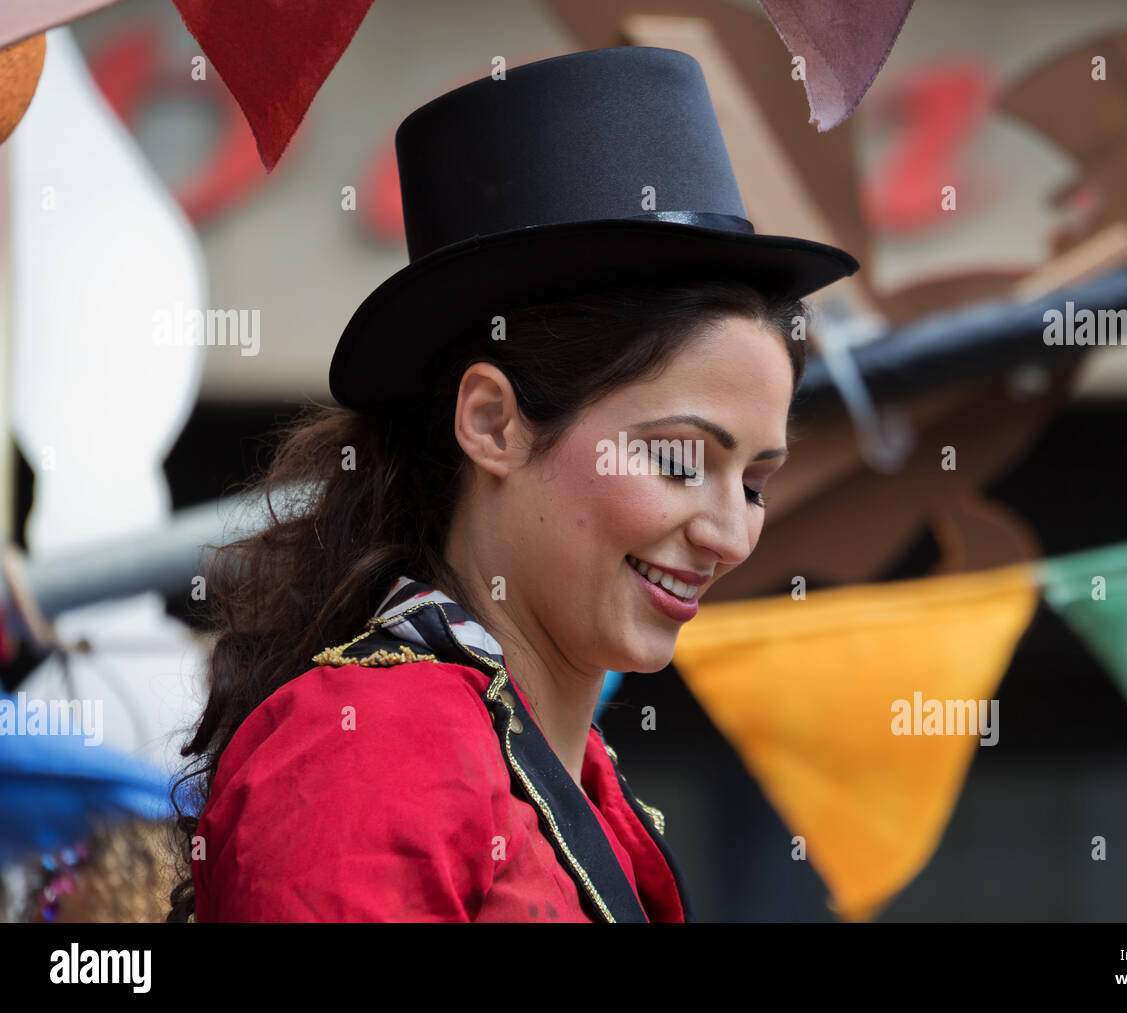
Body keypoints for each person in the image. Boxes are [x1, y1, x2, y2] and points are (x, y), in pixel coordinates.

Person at [165, 46, 859, 922]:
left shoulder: (565, 769)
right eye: (682, 459)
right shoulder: (377, 741)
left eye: (754, 481)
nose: (730, 533)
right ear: (492, 422)